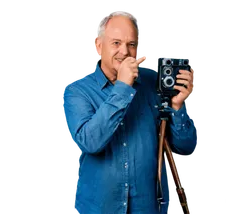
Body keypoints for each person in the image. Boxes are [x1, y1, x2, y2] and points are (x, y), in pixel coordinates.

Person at [61, 9, 199, 214]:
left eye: (131, 44)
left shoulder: (154, 83)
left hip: (149, 208)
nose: (124, 52)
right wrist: (123, 88)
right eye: (116, 43)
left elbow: (187, 148)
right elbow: (90, 142)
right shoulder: (75, 91)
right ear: (97, 46)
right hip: (98, 208)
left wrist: (178, 106)